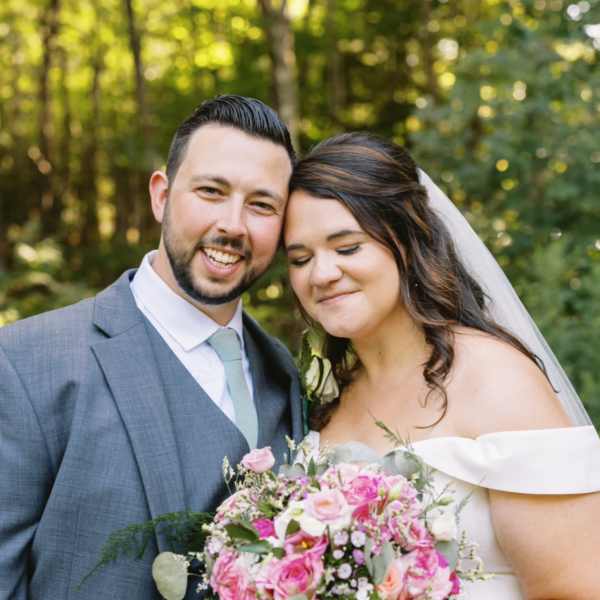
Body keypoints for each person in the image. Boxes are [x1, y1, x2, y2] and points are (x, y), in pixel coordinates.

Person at [0, 95, 304, 599]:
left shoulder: (287, 375)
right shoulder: (25, 363)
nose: (233, 224)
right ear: (161, 196)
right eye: (211, 191)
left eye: (262, 205)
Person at [283, 132, 600, 599]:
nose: (322, 274)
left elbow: (575, 590)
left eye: (347, 248)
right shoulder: (325, 399)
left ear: (407, 240)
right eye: (300, 258)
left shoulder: (496, 379)